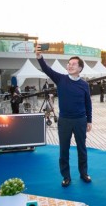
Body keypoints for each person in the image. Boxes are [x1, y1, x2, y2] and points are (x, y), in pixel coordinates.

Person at [35, 45, 92, 187]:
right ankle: (66, 176)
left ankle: (83, 173)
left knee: (82, 148)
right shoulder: (61, 79)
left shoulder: (84, 85)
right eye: (69, 64)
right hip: (64, 121)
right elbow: (47, 70)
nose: (70, 66)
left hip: (80, 120)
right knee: (63, 150)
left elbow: (88, 103)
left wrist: (89, 120)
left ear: (80, 68)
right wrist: (39, 57)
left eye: (73, 64)